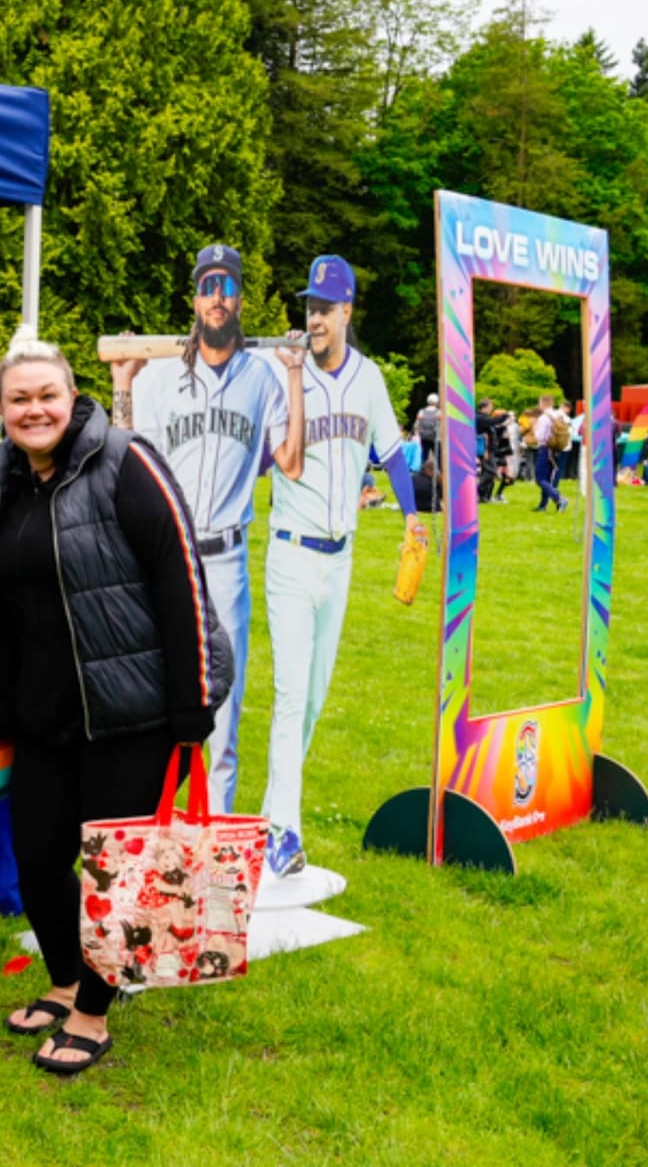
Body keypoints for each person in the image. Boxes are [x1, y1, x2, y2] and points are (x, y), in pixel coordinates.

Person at [0, 337, 228, 1076]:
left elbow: (180, 576)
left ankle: (93, 1012)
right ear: (3, 410)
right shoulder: (5, 483)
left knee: (116, 874)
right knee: (37, 862)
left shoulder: (125, 461)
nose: (34, 410)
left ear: (71, 396)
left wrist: (194, 706)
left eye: (46, 396)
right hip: (43, 715)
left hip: (135, 714)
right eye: (18, 399)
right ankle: (63, 979)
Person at [108, 242, 304, 812]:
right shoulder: (160, 372)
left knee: (224, 704)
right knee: (148, 692)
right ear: (193, 297)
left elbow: (289, 462)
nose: (217, 298)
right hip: (163, 552)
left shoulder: (264, 376)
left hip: (225, 562)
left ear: (240, 296)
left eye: (227, 286)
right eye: (207, 286)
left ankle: (214, 844)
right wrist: (123, 381)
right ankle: (145, 825)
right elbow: (124, 451)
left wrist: (294, 375)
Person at [261, 256, 422, 879]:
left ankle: (277, 811)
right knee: (290, 693)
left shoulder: (370, 380)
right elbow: (285, 461)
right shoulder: (286, 379)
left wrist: (410, 515)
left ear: (348, 312)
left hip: (341, 557)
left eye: (325, 308)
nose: (315, 318)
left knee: (315, 697)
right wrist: (293, 379)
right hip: (291, 552)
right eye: (310, 307)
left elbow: (392, 453)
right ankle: (285, 830)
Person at [531, 395, 568, 512]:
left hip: (545, 448)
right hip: (556, 448)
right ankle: (543, 505)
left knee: (540, 478)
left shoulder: (543, 418)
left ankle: (559, 498)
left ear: (542, 403)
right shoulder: (559, 415)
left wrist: (534, 428)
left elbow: (540, 436)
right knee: (547, 478)